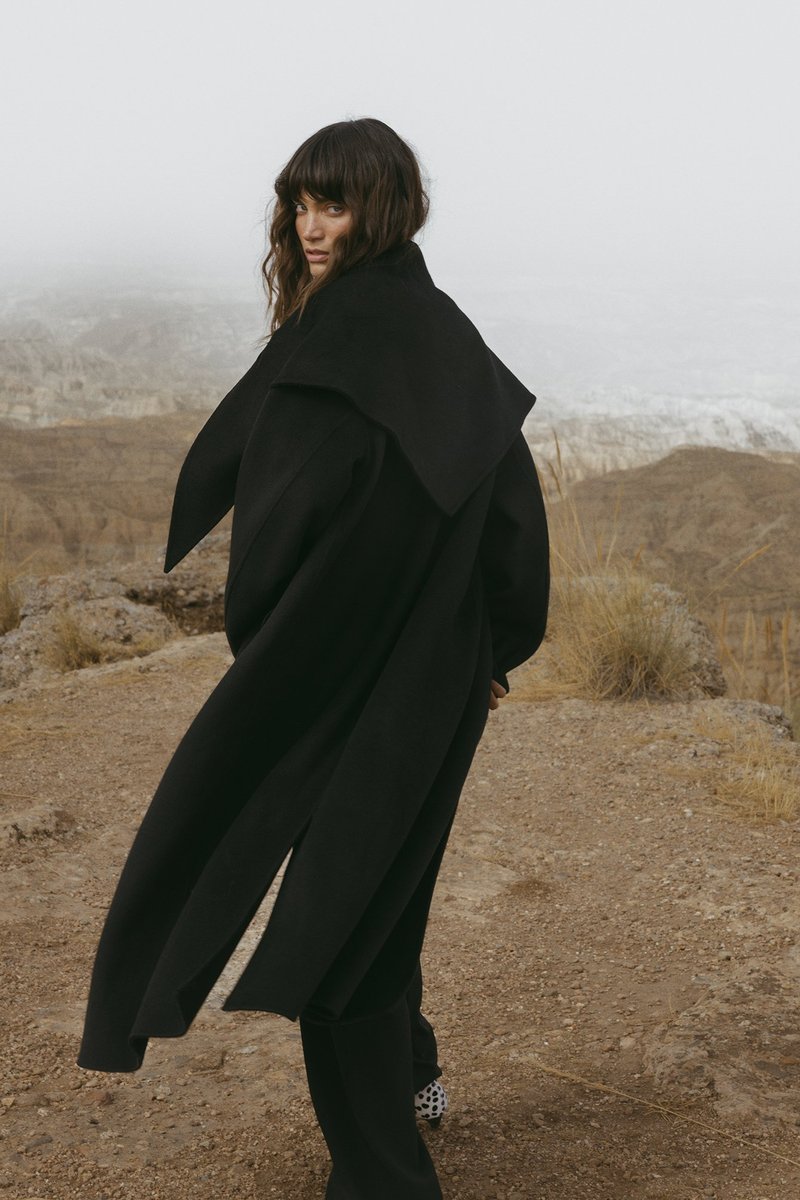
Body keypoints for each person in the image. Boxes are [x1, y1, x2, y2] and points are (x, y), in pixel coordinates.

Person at [76, 117, 550, 1199]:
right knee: (386, 876)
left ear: (381, 208)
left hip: (339, 682)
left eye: (331, 202)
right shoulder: (452, 343)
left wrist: (283, 658)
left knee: (345, 931)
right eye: (298, 202)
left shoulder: (318, 356)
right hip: (438, 686)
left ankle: (384, 1176)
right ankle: (415, 1068)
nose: (309, 224)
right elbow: (515, 533)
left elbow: (272, 550)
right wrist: (490, 652)